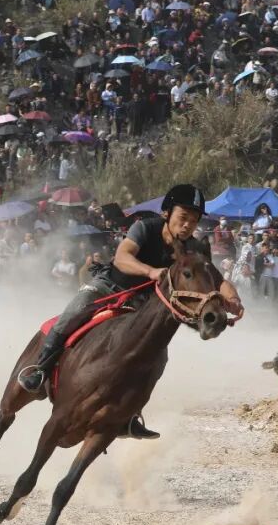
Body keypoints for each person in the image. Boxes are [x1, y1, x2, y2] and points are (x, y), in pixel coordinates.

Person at [15, 184, 244, 439]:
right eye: (183, 217)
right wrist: (151, 271)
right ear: (167, 213)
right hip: (108, 287)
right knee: (72, 313)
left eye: (194, 220)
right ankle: (40, 370)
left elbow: (217, 278)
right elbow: (123, 257)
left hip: (141, 305)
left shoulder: (193, 250)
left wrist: (232, 297)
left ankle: (130, 414)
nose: (188, 225)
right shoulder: (145, 228)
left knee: (158, 357)